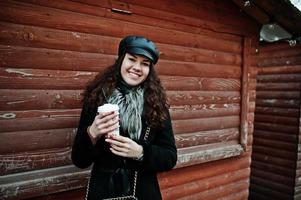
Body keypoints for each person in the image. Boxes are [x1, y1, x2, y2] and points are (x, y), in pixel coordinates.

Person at [72, 35, 177, 200]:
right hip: (103, 190)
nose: (137, 67)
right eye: (132, 59)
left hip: (142, 191)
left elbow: (170, 157)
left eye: (145, 63)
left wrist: (141, 152)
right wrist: (92, 133)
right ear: (121, 60)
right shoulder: (97, 98)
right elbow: (79, 160)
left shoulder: (156, 104)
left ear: (149, 70)